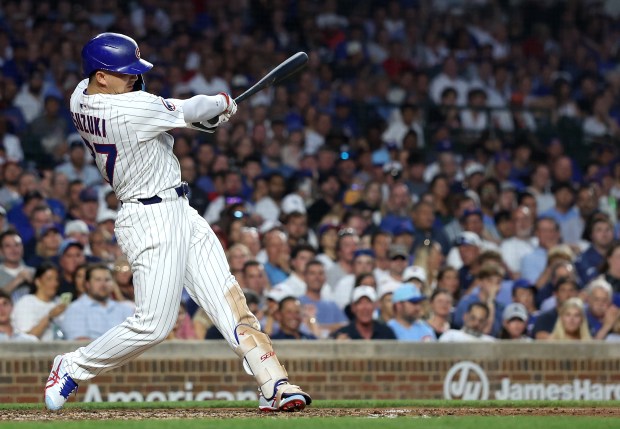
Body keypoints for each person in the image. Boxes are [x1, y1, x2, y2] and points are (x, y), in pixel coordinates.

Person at [44, 33, 310, 413]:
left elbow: (172, 117)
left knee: (229, 301)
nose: (134, 77)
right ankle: (73, 364)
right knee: (154, 323)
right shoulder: (126, 110)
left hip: (178, 208)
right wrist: (222, 104)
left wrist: (203, 119)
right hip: (149, 217)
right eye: (125, 72)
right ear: (101, 76)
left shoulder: (79, 95)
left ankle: (274, 384)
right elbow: (192, 107)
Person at [58, 264, 134, 340]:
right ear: (87, 284)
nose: (103, 284)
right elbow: (79, 342)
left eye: (107, 280)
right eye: (98, 280)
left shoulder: (125, 309)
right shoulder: (75, 309)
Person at [11, 263, 67, 341]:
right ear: (38, 281)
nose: (55, 284)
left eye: (56, 279)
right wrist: (49, 317)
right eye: (49, 279)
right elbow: (26, 339)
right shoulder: (25, 303)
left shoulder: (59, 302)